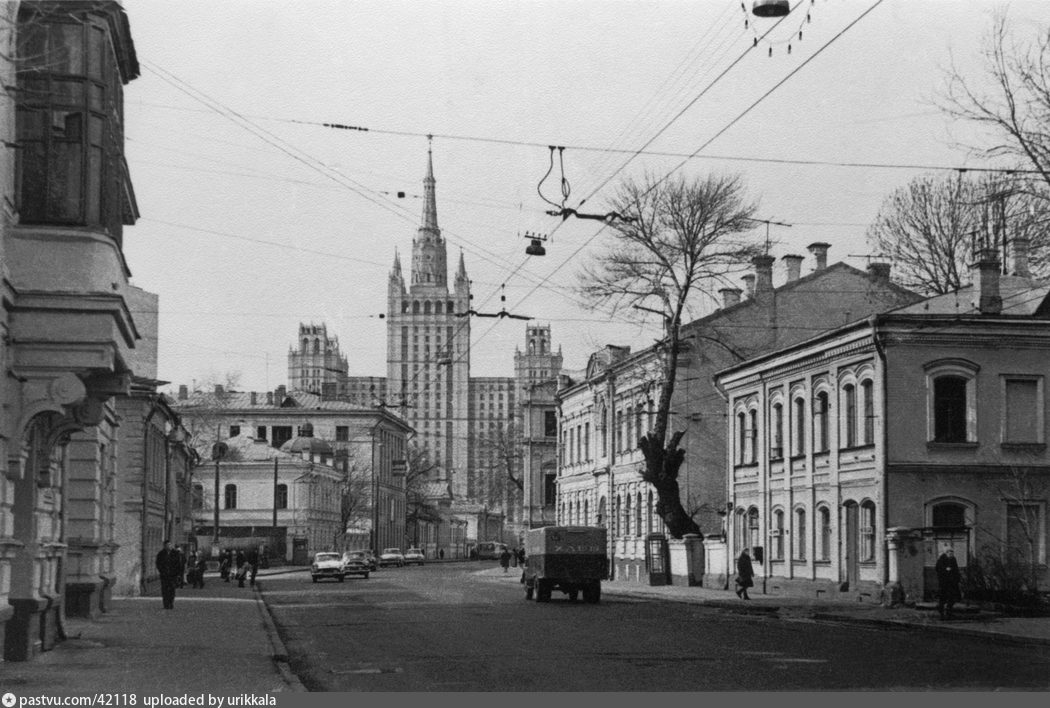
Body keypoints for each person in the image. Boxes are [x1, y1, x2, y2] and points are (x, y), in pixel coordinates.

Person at [936, 547, 961, 620]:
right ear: (946, 553)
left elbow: (956, 570)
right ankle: (942, 613)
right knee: (943, 598)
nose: (951, 554)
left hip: (953, 583)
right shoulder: (941, 559)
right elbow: (938, 569)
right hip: (944, 583)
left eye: (952, 552)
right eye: (949, 552)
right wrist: (945, 569)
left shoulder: (953, 559)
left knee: (952, 598)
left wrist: (957, 579)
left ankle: (949, 612)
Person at [155, 539, 182, 610]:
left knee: (172, 590)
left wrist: (177, 573)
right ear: (164, 546)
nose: (168, 546)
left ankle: (171, 603)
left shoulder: (175, 553)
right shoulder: (161, 554)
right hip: (164, 575)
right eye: (167, 545)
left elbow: (178, 564)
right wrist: (162, 571)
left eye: (169, 545)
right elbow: (158, 564)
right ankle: (165, 604)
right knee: (164, 590)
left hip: (173, 575)